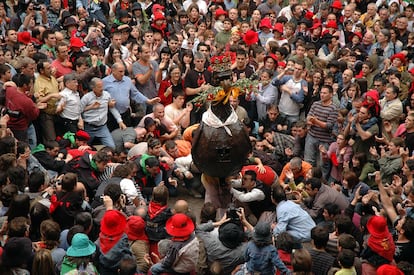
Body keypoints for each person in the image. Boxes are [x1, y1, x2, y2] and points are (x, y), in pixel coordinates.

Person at [103, 62, 160, 131]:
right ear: (113, 71)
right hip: (111, 114)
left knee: (127, 133)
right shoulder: (104, 82)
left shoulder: (127, 80)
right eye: (120, 71)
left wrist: (148, 101)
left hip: (125, 113)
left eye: (124, 71)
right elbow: (99, 97)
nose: (122, 74)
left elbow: (135, 94)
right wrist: (106, 103)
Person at [80, 77, 125, 148]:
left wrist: (120, 121)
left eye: (102, 86)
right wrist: (90, 107)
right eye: (99, 87)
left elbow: (112, 108)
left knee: (112, 147)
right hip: (89, 127)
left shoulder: (106, 95)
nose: (102, 88)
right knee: (83, 148)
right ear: (93, 88)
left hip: (102, 127)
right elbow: (79, 111)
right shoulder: (86, 97)